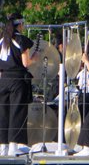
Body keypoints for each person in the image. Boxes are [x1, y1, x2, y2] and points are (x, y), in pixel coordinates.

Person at [0, 13, 37, 156]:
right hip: (18, 79)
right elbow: (26, 63)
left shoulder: (2, 40)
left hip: (3, 79)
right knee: (17, 112)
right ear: (20, 25)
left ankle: (2, 146)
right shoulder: (20, 39)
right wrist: (35, 58)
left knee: (3, 112)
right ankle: (14, 146)